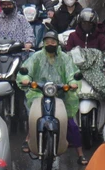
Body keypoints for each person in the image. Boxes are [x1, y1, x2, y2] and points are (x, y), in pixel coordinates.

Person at [21, 32, 86, 163]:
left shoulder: (65, 58)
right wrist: (26, 79)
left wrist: (72, 83)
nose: (50, 44)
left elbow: (72, 73)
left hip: (61, 93)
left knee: (71, 124)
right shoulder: (36, 57)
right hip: (39, 92)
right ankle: (29, 138)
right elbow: (26, 70)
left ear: (57, 43)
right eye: (47, 41)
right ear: (43, 43)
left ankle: (80, 153)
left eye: (53, 42)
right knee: (33, 116)